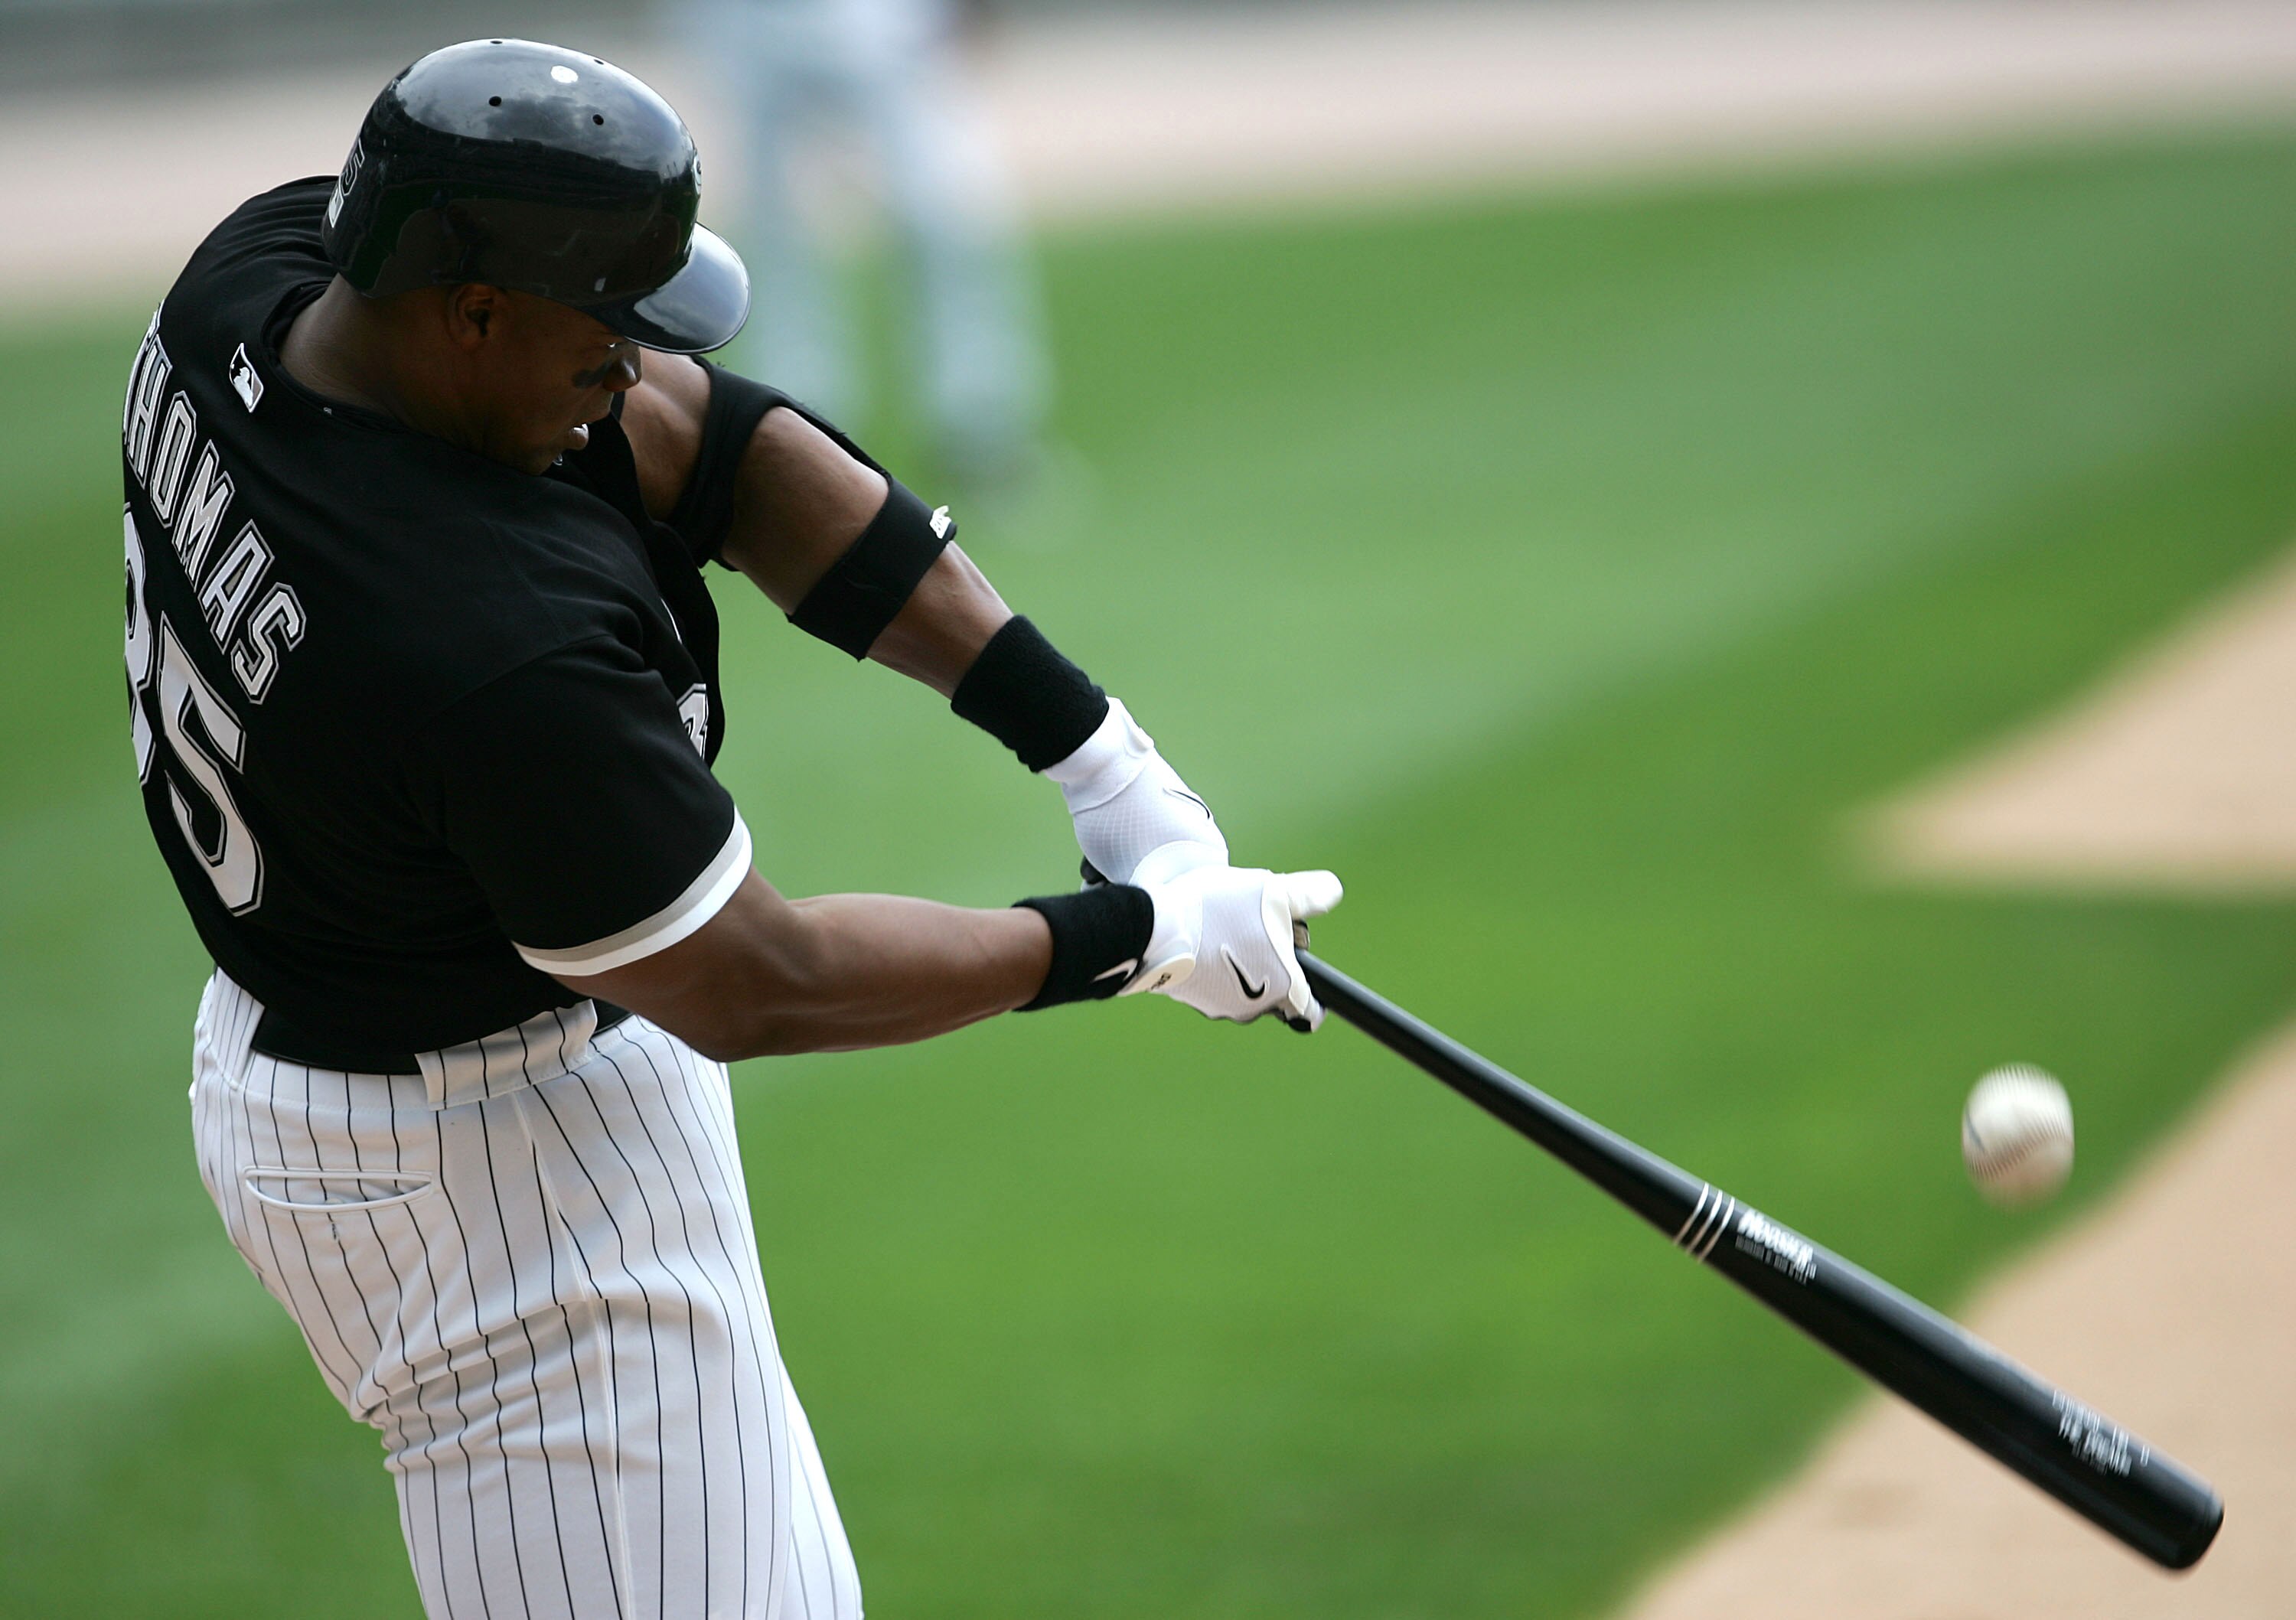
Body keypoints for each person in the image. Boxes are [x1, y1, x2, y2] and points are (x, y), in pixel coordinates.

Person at [119, 38, 1338, 1620]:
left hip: (367, 1044)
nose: (636, 368)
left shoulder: (272, 280)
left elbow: (717, 445)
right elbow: (759, 979)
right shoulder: (482, 650)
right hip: (499, 1184)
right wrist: (1144, 939)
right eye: (605, 330)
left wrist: (1102, 761)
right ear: (474, 311)